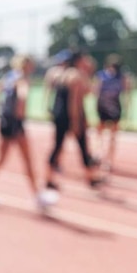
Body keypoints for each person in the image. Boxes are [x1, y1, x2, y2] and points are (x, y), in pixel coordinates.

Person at [0, 55, 53, 210]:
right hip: (15, 124)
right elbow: (22, 95)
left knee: (1, 158)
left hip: (5, 121)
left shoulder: (9, 77)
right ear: (27, 65)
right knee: (26, 159)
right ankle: (37, 197)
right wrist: (20, 114)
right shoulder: (22, 79)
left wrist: (1, 107)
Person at [44, 50, 102, 190]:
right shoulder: (77, 75)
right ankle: (90, 177)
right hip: (72, 115)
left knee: (58, 146)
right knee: (82, 145)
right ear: (78, 61)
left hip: (59, 115)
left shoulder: (60, 74)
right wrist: (75, 121)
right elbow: (74, 101)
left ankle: (49, 178)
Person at [93, 54, 132, 173]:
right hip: (103, 108)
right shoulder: (102, 76)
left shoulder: (122, 77)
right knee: (100, 133)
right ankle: (99, 154)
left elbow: (127, 93)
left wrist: (126, 111)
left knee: (113, 136)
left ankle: (109, 160)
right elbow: (96, 91)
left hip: (115, 108)